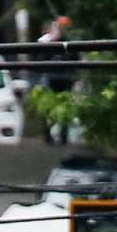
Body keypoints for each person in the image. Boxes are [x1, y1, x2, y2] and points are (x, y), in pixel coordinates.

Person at [33, 15, 78, 145]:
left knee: (65, 107)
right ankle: (48, 136)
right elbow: (39, 57)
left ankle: (63, 136)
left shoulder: (69, 41)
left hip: (65, 77)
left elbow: (74, 59)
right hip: (50, 77)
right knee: (48, 107)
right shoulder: (46, 41)